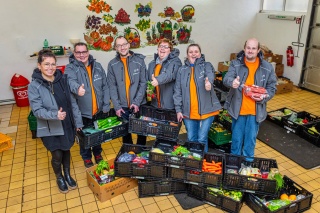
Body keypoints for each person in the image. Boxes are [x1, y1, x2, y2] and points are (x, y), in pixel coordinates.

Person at [28, 50, 83, 193]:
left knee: (66, 149)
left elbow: (72, 103)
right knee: (57, 154)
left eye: (53, 64)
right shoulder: (34, 86)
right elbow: (37, 110)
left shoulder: (62, 80)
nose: (50, 67)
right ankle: (59, 177)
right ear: (39, 65)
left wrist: (77, 122)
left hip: (66, 123)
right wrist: (54, 115)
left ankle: (68, 174)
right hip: (50, 127)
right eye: (46, 64)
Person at [223, 38, 277, 158]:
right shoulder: (235, 64)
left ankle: (247, 164)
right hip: (238, 110)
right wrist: (232, 82)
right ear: (244, 48)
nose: (250, 51)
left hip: (255, 112)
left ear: (258, 50)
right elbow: (226, 79)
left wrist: (264, 96)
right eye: (248, 48)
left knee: (250, 142)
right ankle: (234, 163)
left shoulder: (267, 67)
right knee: (236, 140)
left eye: (253, 48)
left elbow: (272, 87)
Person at [64, 42, 110, 168]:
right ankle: (87, 157)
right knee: (85, 137)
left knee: (98, 134)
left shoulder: (98, 66)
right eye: (78, 52)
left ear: (88, 52)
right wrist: (77, 88)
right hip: (83, 113)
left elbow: (105, 86)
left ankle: (97, 154)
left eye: (84, 52)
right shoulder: (71, 68)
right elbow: (70, 81)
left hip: (98, 110)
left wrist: (106, 105)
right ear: (74, 54)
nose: (81, 55)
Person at [174, 44, 222, 152]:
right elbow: (177, 91)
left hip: (207, 110)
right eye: (191, 52)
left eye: (196, 51)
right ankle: (194, 162)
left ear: (200, 53)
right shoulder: (182, 70)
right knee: (191, 139)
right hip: (188, 112)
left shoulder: (206, 65)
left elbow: (210, 74)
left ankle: (202, 162)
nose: (193, 54)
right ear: (187, 54)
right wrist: (178, 110)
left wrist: (209, 82)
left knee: (201, 139)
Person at [107, 36, 147, 145]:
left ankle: (140, 155)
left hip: (139, 104)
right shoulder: (112, 64)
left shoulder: (139, 61)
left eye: (124, 44)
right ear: (115, 48)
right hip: (122, 106)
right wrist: (117, 106)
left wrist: (136, 102)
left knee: (141, 132)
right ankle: (128, 156)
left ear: (129, 45)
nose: (122, 47)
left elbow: (143, 83)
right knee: (125, 134)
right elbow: (112, 86)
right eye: (119, 45)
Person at [147, 38, 182, 109]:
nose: (162, 48)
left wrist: (157, 80)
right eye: (160, 46)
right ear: (157, 49)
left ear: (170, 50)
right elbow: (148, 80)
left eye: (166, 47)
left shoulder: (175, 62)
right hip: (155, 104)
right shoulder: (152, 64)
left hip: (170, 105)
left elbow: (170, 74)